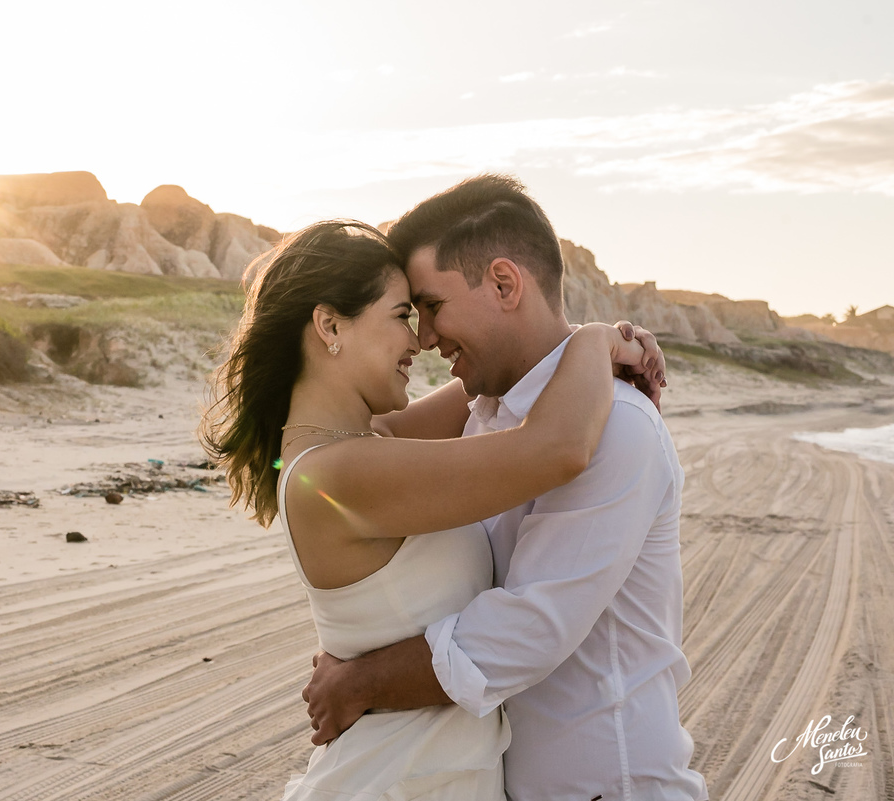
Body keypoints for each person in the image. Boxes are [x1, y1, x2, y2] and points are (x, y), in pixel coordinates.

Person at [200, 214, 664, 799]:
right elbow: (555, 448)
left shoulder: (360, 448)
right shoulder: (339, 475)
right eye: (401, 315)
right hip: (399, 778)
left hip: (424, 772)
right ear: (329, 325)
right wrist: (594, 341)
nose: (419, 340)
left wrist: (578, 350)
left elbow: (501, 378)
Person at [301, 175, 708, 800]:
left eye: (431, 306)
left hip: (605, 784)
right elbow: (357, 440)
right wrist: (594, 341)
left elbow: (524, 632)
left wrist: (360, 681)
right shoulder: (488, 413)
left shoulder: (618, 424)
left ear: (503, 284)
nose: (424, 338)